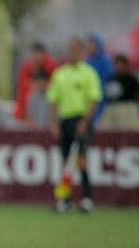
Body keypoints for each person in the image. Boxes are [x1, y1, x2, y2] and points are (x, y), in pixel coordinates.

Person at [46, 38, 102, 213]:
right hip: (66, 120)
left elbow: (94, 99)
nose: (72, 52)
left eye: (76, 49)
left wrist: (85, 121)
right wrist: (54, 123)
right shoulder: (60, 73)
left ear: (81, 51)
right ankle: (66, 200)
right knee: (65, 162)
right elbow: (53, 100)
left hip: (81, 120)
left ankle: (87, 199)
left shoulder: (88, 73)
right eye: (70, 49)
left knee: (81, 160)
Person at [13, 42, 56, 124]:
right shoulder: (27, 67)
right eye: (35, 54)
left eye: (39, 54)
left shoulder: (50, 66)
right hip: (28, 110)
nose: (37, 57)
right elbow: (22, 88)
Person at [101, 54, 139, 129]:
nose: (118, 66)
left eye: (120, 64)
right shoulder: (111, 78)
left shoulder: (131, 79)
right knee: (109, 131)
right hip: (112, 107)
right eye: (116, 64)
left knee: (130, 130)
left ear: (125, 65)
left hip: (127, 107)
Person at [86, 33, 113, 128]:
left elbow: (109, 80)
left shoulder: (105, 61)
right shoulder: (87, 61)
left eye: (92, 44)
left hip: (102, 99)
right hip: (89, 99)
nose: (90, 47)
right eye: (89, 44)